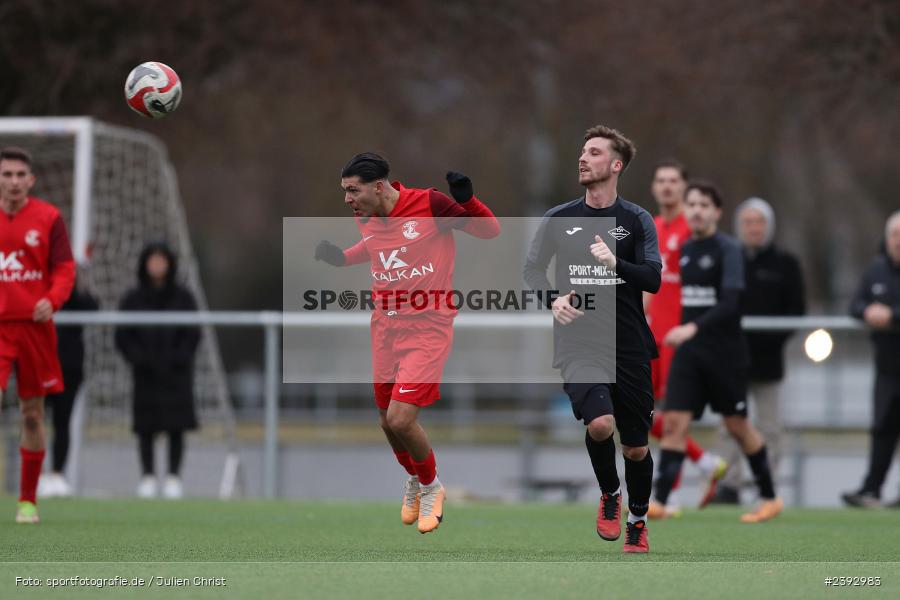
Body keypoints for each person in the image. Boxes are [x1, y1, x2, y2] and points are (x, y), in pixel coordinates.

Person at [314, 153, 499, 533]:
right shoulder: (366, 215)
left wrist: (467, 200)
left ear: (379, 186)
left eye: (353, 190)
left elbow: (489, 231)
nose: (348, 199)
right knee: (386, 421)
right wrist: (342, 258)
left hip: (428, 328)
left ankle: (432, 486)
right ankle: (414, 478)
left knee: (401, 418)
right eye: (345, 191)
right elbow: (377, 247)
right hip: (385, 327)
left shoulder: (430, 205)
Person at [524, 125, 660, 553]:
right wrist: (552, 299)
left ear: (616, 165)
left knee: (635, 449)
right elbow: (532, 271)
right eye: (583, 151)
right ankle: (610, 494)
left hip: (629, 346)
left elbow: (653, 279)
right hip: (578, 344)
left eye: (595, 152)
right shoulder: (558, 218)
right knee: (600, 424)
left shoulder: (636, 220)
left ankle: (637, 520)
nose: (583, 158)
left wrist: (616, 262)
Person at [651, 180, 782, 523]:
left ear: (717, 212)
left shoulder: (728, 249)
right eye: (692, 204)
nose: (696, 211)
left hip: (725, 353)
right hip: (689, 354)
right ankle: (661, 500)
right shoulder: (685, 250)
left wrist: (691, 328)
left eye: (704, 205)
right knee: (674, 422)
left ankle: (769, 497)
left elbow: (730, 303)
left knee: (738, 426)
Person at [644, 159, 726, 517]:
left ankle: (670, 496)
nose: (667, 186)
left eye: (673, 181)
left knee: (674, 417)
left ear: (684, 187)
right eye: (661, 180)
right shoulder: (649, 226)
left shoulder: (693, 229)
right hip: (650, 334)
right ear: (653, 187)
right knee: (635, 413)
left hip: (681, 335)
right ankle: (705, 462)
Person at [711, 197, 805, 504]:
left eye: (760, 222)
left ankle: (767, 485)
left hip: (768, 362)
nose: (754, 228)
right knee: (729, 425)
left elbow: (796, 311)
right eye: (748, 222)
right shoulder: (727, 260)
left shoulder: (786, 264)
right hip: (731, 360)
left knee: (769, 427)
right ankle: (728, 484)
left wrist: (767, 340)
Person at [0, 146, 76, 523]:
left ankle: (27, 501)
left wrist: (52, 299)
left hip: (34, 329)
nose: (13, 181)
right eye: (7, 174)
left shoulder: (49, 218)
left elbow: (64, 268)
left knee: (32, 416)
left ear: (31, 180)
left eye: (20, 175)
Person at [115, 242, 200, 500]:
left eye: (161, 260)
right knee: (145, 427)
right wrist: (139, 359)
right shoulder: (133, 299)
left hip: (176, 374)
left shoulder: (183, 298)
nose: (157, 266)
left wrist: (178, 358)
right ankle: (148, 477)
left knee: (177, 426)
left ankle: (174, 477)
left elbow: (193, 334)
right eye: (153, 260)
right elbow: (123, 336)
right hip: (145, 374)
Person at [842, 211, 900, 508]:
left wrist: (892, 315)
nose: (899, 241)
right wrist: (867, 311)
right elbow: (855, 304)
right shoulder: (876, 269)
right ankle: (871, 489)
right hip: (887, 364)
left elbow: (891, 313)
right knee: (882, 426)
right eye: (895, 234)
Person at [38, 272, 100, 498]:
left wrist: (80, 283)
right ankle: (36, 474)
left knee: (62, 422)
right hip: (37, 366)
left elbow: (92, 307)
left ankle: (57, 474)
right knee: (34, 421)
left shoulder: (72, 293)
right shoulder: (35, 287)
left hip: (68, 370)